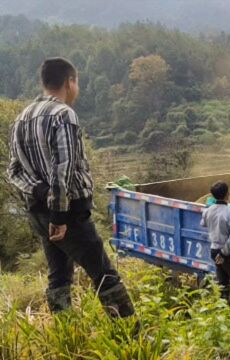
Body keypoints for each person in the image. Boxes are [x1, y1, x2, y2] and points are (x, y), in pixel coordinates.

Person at [6, 58, 135, 317]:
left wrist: (41, 192)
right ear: (70, 82)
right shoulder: (64, 115)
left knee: (59, 278)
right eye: (77, 83)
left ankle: (67, 334)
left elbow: (13, 171)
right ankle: (132, 336)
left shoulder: (21, 118)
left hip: (39, 215)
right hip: (67, 216)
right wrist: (59, 215)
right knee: (104, 275)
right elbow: (62, 168)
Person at [201, 181, 230, 303]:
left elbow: (203, 224)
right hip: (228, 252)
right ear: (227, 194)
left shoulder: (207, 211)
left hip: (214, 250)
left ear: (212, 196)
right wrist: (224, 253)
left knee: (222, 281)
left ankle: (224, 304)